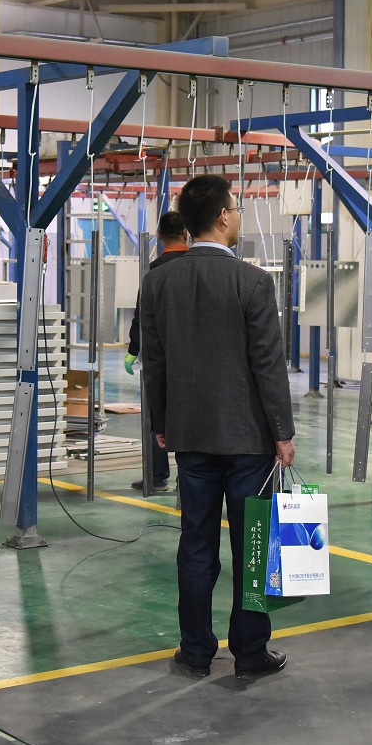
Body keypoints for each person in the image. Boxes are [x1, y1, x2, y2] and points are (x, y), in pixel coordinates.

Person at [140, 174, 295, 681]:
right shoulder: (253, 282)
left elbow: (154, 362)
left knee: (196, 546)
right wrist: (283, 432)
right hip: (249, 440)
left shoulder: (158, 282)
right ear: (224, 216)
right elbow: (268, 365)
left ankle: (195, 652)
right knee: (254, 547)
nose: (238, 215)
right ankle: (249, 654)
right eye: (237, 208)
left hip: (190, 438)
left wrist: (163, 422)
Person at [124, 211, 188, 493]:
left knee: (156, 414)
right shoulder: (198, 266)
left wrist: (133, 350)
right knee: (191, 416)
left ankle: (157, 476)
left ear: (160, 236)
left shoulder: (153, 271)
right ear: (186, 233)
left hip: (160, 355)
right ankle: (187, 480)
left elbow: (142, 316)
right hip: (195, 356)